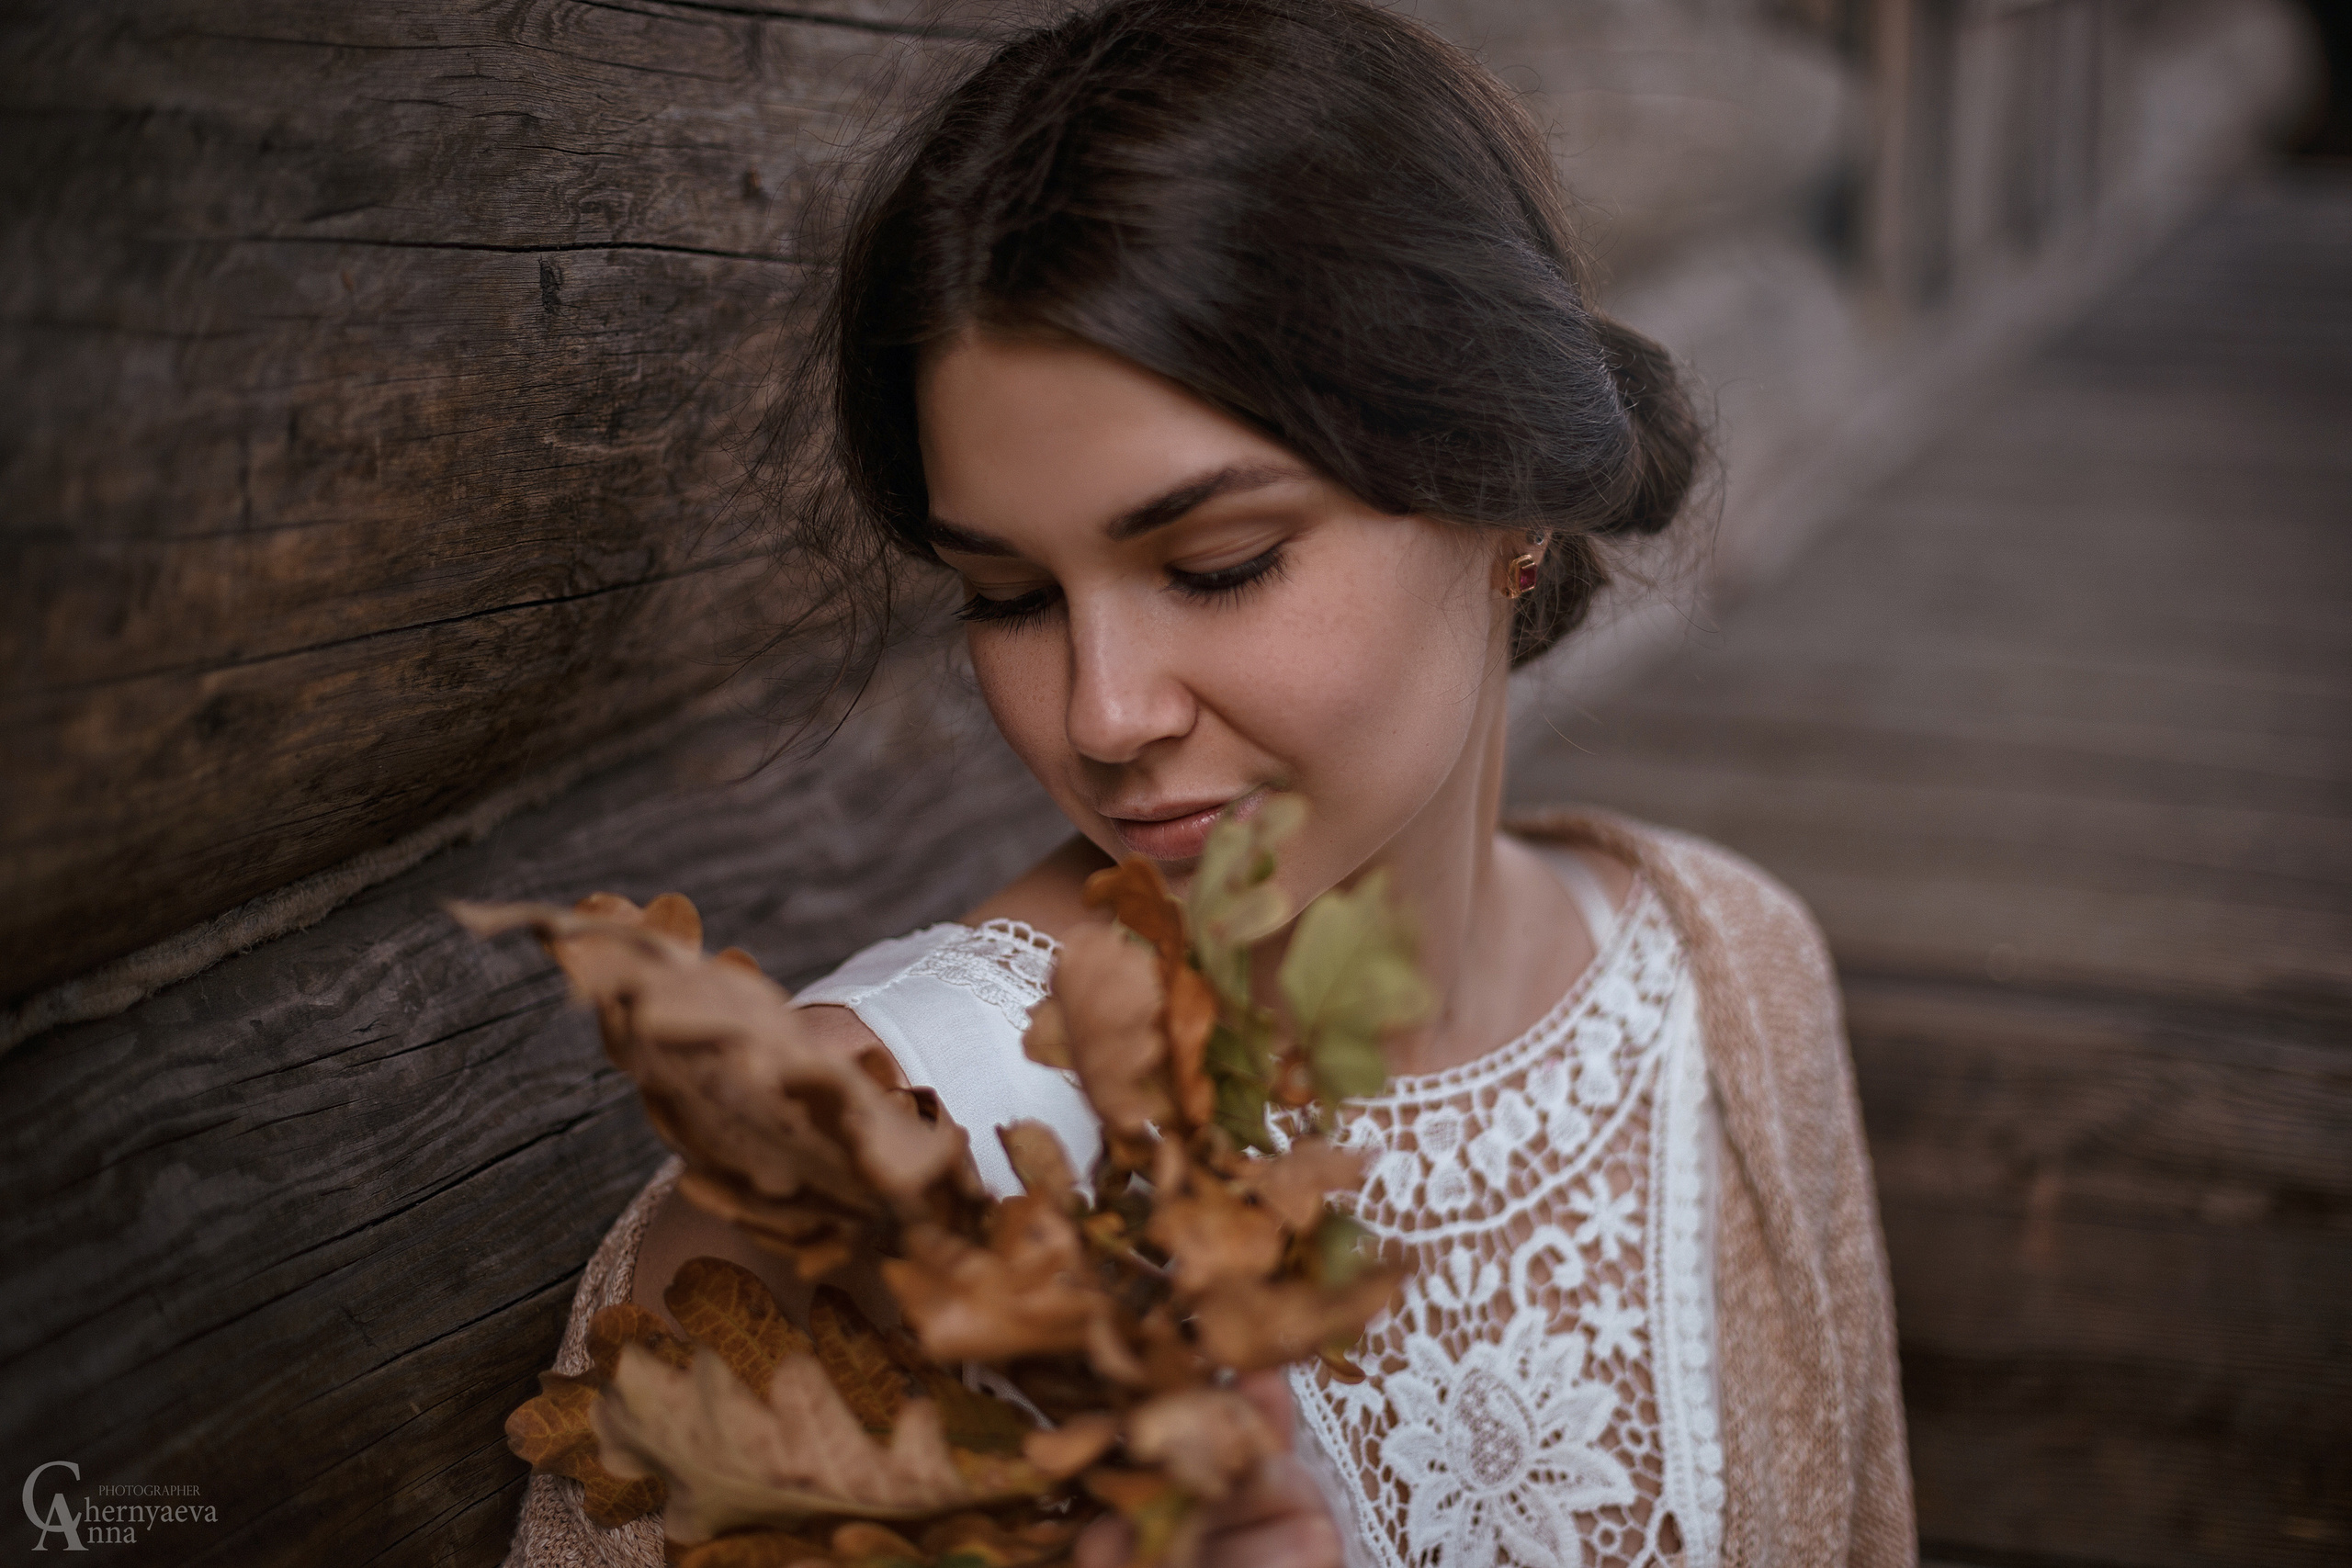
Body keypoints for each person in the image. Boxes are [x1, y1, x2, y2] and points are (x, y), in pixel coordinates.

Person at [507, 2, 1914, 1564]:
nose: (1103, 715)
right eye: (1010, 597)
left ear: (1505, 490)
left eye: (1218, 565)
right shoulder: (853, 1177)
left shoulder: (1733, 982)